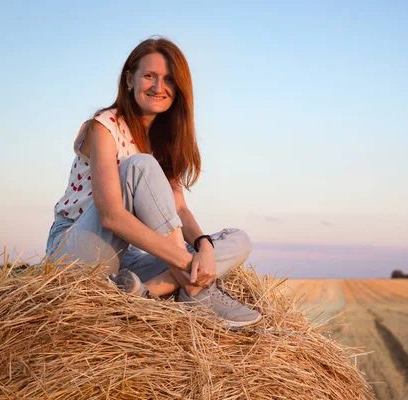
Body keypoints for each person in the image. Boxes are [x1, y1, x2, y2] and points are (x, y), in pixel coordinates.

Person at [45, 37, 262, 328]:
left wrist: (204, 247)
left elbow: (180, 211)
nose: (159, 87)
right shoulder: (104, 126)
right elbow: (110, 216)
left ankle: (144, 292)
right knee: (141, 165)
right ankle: (194, 290)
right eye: (149, 76)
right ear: (129, 80)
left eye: (169, 79)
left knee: (238, 241)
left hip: (127, 259)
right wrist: (187, 264)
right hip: (77, 249)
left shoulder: (164, 140)